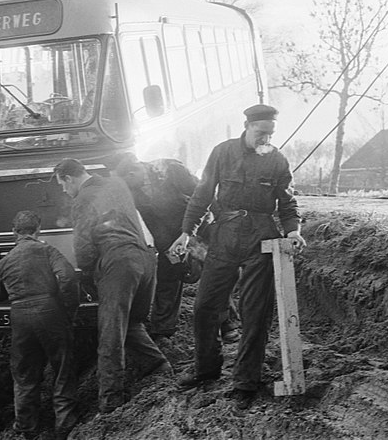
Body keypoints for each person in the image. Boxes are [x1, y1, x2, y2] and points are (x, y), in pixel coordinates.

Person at [170, 104, 306, 410]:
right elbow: (203, 193)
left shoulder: (278, 160)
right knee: (205, 306)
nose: (266, 138)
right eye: (261, 132)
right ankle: (206, 369)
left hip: (261, 239)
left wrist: (293, 231)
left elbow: (287, 203)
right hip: (224, 238)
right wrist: (187, 231)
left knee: (254, 313)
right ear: (246, 126)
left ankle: (246, 381)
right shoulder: (222, 152)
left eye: (271, 133)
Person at [53, 158, 171, 414]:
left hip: (118, 262)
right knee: (130, 322)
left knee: (109, 332)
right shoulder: (116, 186)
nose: (65, 191)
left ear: (69, 178)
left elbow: (83, 245)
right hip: (146, 258)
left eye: (63, 185)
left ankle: (111, 402)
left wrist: (86, 275)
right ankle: (157, 365)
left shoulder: (82, 199)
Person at [0, 211, 79, 440]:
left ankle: (26, 428)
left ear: (14, 232)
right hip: (49, 311)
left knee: (24, 374)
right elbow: (67, 277)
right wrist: (68, 309)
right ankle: (65, 424)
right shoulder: (47, 250)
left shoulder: (6, 260)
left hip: (19, 317)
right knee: (62, 368)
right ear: (38, 230)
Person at [112, 154, 198, 343]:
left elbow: (201, 197)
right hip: (167, 238)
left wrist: (192, 231)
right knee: (167, 278)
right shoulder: (133, 190)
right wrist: (165, 246)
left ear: (133, 172)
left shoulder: (171, 169)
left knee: (213, 275)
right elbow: (147, 220)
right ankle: (163, 328)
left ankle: (227, 324)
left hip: (195, 230)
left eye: (126, 181)